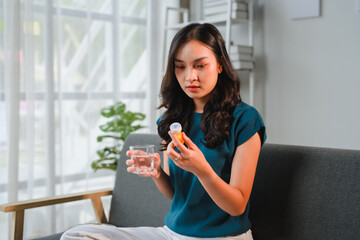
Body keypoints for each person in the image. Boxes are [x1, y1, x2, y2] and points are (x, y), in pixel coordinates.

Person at [61, 23, 266, 240]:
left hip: (223, 237)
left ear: (220, 65)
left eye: (200, 66)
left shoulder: (245, 119)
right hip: (172, 234)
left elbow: (237, 206)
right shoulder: (172, 120)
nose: (190, 77)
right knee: (76, 235)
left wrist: (202, 170)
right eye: (180, 67)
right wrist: (158, 173)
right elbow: (177, 194)